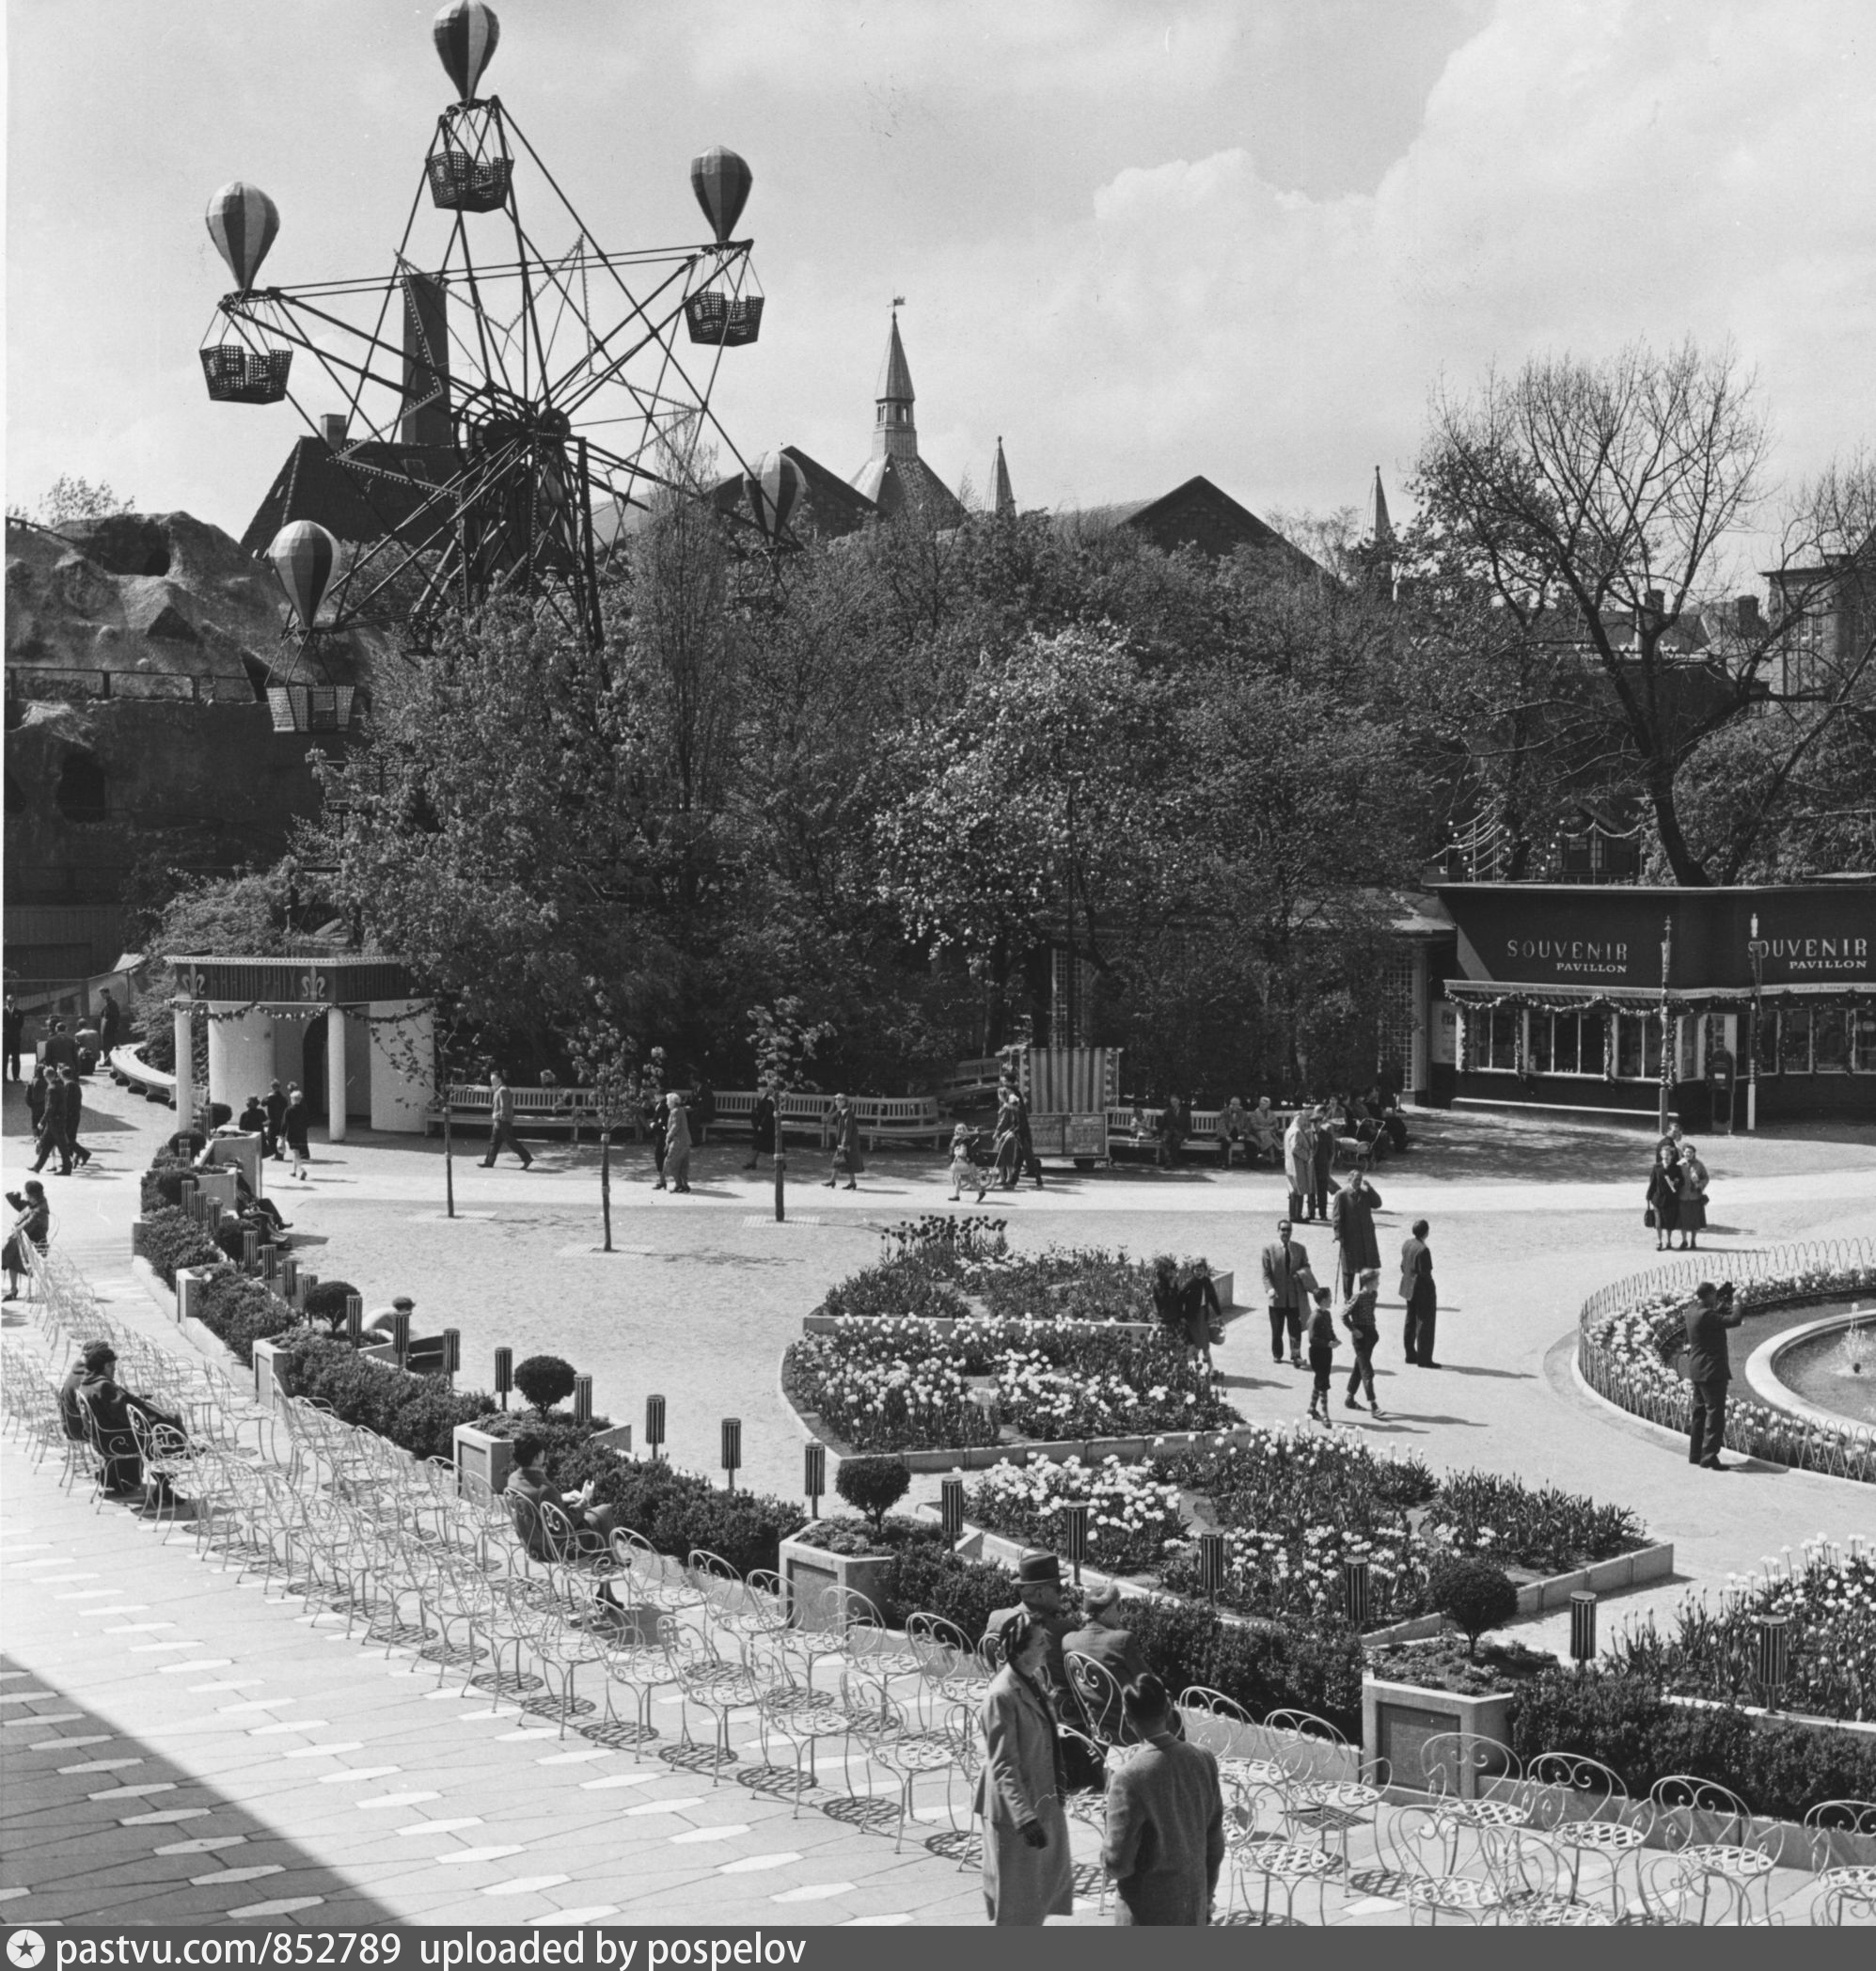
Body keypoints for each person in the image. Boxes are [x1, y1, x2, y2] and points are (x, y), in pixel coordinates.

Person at [1100, 1673, 1225, 1926]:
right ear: (1168, 1710)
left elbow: (1117, 1864)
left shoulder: (1128, 1777)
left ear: (1127, 1718)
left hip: (1145, 1912)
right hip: (1191, 1905)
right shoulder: (1203, 1759)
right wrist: (1206, 1897)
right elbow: (1214, 1842)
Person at [976, 1612, 1075, 1927]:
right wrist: (1024, 1817)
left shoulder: (1034, 1679)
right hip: (1015, 1813)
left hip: (1040, 1799)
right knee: (1016, 1906)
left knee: (1038, 1896)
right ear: (1019, 1650)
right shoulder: (1001, 1695)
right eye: (1040, 1642)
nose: (1047, 1647)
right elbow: (1002, 1763)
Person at [59, 1341, 185, 1501]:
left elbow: (114, 1409)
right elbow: (124, 1416)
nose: (114, 1370)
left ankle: (116, 1476)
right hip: (113, 1440)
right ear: (104, 1365)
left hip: (102, 1437)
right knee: (162, 1431)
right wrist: (148, 1417)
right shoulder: (102, 1385)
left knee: (160, 1426)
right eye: (112, 1366)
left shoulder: (86, 1382)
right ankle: (165, 1482)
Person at [504, 1432, 619, 1561]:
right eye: (542, 1450)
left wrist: (563, 1497)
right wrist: (585, 1499)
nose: (544, 1452)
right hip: (554, 1548)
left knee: (591, 1512)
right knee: (604, 1511)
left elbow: (535, 1502)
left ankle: (605, 1560)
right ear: (536, 1457)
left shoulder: (513, 1479)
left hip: (531, 1544)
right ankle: (611, 1562)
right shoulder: (544, 1490)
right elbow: (565, 1525)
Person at [982, 1550, 1074, 1704]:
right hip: (1054, 1707)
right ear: (1040, 1593)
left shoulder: (996, 1618)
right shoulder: (1062, 1629)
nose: (1063, 1592)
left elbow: (992, 1659)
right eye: (1058, 1588)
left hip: (1008, 1699)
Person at [1685, 1281, 1744, 1470]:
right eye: (1715, 1295)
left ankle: (1696, 1454)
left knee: (1699, 1413)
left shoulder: (1692, 1311)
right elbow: (1734, 1320)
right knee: (1715, 1415)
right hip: (1712, 1371)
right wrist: (1737, 1302)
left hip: (1697, 1369)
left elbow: (1712, 1319)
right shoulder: (1707, 1315)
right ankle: (1709, 1457)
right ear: (1710, 1294)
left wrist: (1720, 1305)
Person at [1260, 1217, 1314, 1370]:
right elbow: (1265, 1273)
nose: (1286, 1232)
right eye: (1283, 1229)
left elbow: (1306, 1266)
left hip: (1294, 1297)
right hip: (1276, 1298)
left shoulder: (1300, 1249)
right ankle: (1277, 1354)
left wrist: (1301, 1274)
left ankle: (1296, 1356)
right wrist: (1270, 1289)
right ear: (1278, 1231)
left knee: (1295, 1330)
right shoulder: (1269, 1249)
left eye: (1288, 1230)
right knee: (1277, 1330)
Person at [1328, 1167, 1382, 1299]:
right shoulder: (1341, 1194)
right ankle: (1348, 1297)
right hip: (1350, 1239)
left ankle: (1363, 1295)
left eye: (1360, 1179)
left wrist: (1370, 1188)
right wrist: (1338, 1235)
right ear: (1349, 1179)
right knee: (1349, 1270)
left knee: (1365, 1269)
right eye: (1356, 1179)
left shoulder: (1365, 1193)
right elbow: (1336, 1217)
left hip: (1366, 1238)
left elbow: (1377, 1204)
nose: (1358, 1182)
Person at [1341, 1266, 1383, 1415]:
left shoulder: (1373, 1294)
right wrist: (1353, 1330)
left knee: (1359, 1368)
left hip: (1370, 1335)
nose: (1378, 1283)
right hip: (1360, 1337)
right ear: (1369, 1282)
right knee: (1367, 1372)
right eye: (1376, 1281)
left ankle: (1349, 1398)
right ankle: (1373, 1405)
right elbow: (1344, 1314)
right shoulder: (1358, 1296)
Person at [4, 1181, 52, 1300]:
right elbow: (14, 1201)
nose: (25, 1196)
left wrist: (15, 1230)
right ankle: (13, 1289)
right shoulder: (33, 1204)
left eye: (27, 1194)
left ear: (32, 1196)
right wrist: (16, 1195)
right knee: (10, 1255)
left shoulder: (39, 1211)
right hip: (25, 1243)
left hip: (36, 1245)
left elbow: (26, 1227)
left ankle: (45, 1290)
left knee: (11, 1254)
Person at [1400, 1219, 1437, 1366]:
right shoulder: (1423, 1250)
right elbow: (1426, 1273)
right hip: (1421, 1290)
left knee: (1410, 1321)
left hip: (1408, 1287)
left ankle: (1410, 1354)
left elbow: (1403, 1266)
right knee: (1425, 1324)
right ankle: (1424, 1359)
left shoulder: (1407, 1244)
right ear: (1426, 1233)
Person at [481, 1069, 533, 1171]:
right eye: (491, 1079)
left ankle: (527, 1158)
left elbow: (504, 1106)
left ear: (499, 1079)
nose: (492, 1081)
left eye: (494, 1079)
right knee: (494, 1141)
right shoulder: (499, 1089)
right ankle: (489, 1162)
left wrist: (500, 1120)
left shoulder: (502, 1090)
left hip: (503, 1120)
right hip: (500, 1120)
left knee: (510, 1141)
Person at [1304, 1286, 1339, 1426]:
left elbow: (1330, 1330)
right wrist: (1327, 1343)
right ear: (1323, 1300)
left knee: (1320, 1381)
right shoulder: (1315, 1316)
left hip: (1326, 1352)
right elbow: (1312, 1339)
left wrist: (1334, 1339)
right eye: (1329, 1298)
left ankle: (1311, 1409)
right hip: (1317, 1354)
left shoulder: (1327, 1314)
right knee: (1323, 1383)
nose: (1331, 1300)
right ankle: (1325, 1415)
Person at [1646, 1142, 1680, 1253]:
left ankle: (1669, 1241)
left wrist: (1676, 1182)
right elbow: (1652, 1183)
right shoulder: (1656, 1167)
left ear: (1671, 1155)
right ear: (1661, 1155)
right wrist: (1649, 1195)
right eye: (1664, 1154)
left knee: (1669, 1222)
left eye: (1668, 1154)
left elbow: (1681, 1182)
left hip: (1671, 1199)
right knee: (1658, 1222)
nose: (1665, 1156)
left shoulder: (1676, 1168)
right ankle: (1659, 1241)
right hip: (1658, 1199)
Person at [1283, 1109, 1316, 1222]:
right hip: (1298, 1165)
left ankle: (1293, 1215)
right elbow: (1295, 1148)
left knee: (1293, 1191)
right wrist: (1308, 1156)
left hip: (1290, 1164)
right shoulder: (1297, 1131)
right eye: (1303, 1120)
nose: (1305, 1122)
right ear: (1299, 1119)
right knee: (1299, 1190)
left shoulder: (1289, 1130)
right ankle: (1297, 1216)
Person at [824, 1092, 862, 1191]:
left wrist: (844, 1144)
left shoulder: (848, 1114)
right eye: (836, 1100)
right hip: (844, 1142)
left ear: (844, 1102)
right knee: (843, 1161)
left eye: (838, 1100)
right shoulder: (841, 1112)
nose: (836, 1102)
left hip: (848, 1142)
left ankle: (834, 1181)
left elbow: (847, 1130)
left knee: (840, 1160)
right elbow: (829, 1119)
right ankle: (849, 1182)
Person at [948, 1123, 991, 1205]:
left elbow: (963, 1153)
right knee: (958, 1178)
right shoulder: (967, 1139)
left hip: (965, 1162)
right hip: (969, 1162)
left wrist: (956, 1151)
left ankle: (980, 1191)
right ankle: (957, 1195)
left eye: (957, 1131)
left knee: (965, 1178)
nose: (956, 1133)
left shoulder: (963, 1141)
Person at [1677, 1143, 1710, 1252]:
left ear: (1694, 1153)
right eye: (1687, 1152)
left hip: (1695, 1197)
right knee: (1683, 1221)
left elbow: (1706, 1178)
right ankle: (1684, 1241)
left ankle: (1693, 1241)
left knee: (1695, 1221)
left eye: (1691, 1152)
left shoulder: (1699, 1164)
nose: (1688, 1154)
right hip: (1682, 1197)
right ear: (1683, 1153)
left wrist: (1700, 1185)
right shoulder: (1679, 1165)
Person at [57, 1065, 92, 1169]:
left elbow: (67, 1103)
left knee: (67, 1139)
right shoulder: (73, 1084)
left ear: (62, 1075)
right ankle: (70, 1159)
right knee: (70, 1138)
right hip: (74, 1115)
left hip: (70, 1116)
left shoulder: (69, 1085)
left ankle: (83, 1153)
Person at [1309, 1104, 1337, 1222]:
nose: (1314, 1125)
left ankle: (1323, 1214)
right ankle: (1311, 1213)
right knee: (1311, 1191)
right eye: (1312, 1123)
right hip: (1311, 1166)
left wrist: (1327, 1162)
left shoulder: (1326, 1135)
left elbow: (1331, 1151)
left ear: (1320, 1123)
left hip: (1322, 1166)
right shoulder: (1308, 1134)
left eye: (1316, 1122)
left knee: (1322, 1191)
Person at [662, 1092, 693, 1193]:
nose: (667, 1103)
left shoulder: (675, 1111)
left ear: (672, 1102)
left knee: (671, 1162)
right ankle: (684, 1185)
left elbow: (675, 1126)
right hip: (685, 1141)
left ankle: (679, 1184)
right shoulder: (680, 1110)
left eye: (668, 1101)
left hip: (679, 1141)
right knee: (683, 1164)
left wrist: (668, 1136)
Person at [744, 1082, 779, 1173]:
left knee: (772, 1146)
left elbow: (768, 1114)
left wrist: (761, 1125)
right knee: (758, 1144)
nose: (758, 1089)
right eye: (758, 1088)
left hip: (768, 1126)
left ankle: (781, 1164)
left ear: (764, 1088)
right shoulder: (762, 1097)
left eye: (760, 1088)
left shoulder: (768, 1099)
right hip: (762, 1126)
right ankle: (752, 1162)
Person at [1214, 1096, 1251, 1170]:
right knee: (1225, 1142)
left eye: (1235, 1104)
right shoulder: (1225, 1112)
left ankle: (1251, 1164)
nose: (1233, 1106)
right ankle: (1225, 1163)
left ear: (1239, 1105)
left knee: (1251, 1142)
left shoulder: (1243, 1113)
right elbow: (1221, 1125)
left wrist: (1243, 1134)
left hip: (1239, 1134)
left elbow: (1247, 1126)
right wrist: (1226, 1136)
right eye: (1232, 1104)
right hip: (1227, 1134)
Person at [283, 1087, 311, 1180]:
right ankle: (294, 1171)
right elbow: (308, 1122)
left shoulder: (288, 1109)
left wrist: (281, 1135)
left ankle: (302, 1170)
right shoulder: (304, 1109)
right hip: (302, 1134)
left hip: (292, 1134)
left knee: (295, 1152)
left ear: (293, 1099)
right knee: (297, 1152)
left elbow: (284, 1123)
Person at [1246, 1096, 1282, 1168]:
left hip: (1270, 1133)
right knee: (1266, 1135)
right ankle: (1275, 1156)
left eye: (1264, 1104)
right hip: (1257, 1133)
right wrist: (1265, 1128)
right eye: (1261, 1104)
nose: (1262, 1105)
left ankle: (1272, 1159)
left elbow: (1276, 1123)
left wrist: (1273, 1127)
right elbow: (1254, 1126)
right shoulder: (1255, 1113)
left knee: (1268, 1136)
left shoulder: (1271, 1113)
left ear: (1268, 1105)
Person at [1156, 1092, 1187, 1171]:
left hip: (1179, 1132)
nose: (1173, 1104)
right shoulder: (1167, 1110)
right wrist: (1158, 1134)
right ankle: (1169, 1161)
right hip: (1169, 1130)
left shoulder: (1185, 1111)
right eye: (1172, 1102)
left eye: (1175, 1102)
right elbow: (1162, 1123)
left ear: (1179, 1101)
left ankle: (1171, 1161)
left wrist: (1187, 1137)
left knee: (1176, 1141)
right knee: (1164, 1140)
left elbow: (1189, 1126)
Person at [263, 1080, 289, 1159]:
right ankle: (280, 1154)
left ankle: (277, 1153)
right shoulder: (283, 1098)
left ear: (272, 1087)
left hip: (273, 1121)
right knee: (280, 1138)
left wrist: (268, 1096)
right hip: (281, 1121)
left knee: (271, 1139)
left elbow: (263, 1103)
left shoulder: (271, 1097)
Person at [691, 1076, 717, 1146]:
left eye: (692, 1082)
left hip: (708, 1114)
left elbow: (708, 1105)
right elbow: (693, 1102)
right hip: (698, 1113)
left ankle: (695, 1141)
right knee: (690, 1115)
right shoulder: (694, 1090)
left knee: (694, 1116)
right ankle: (690, 1139)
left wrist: (697, 1109)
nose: (691, 1083)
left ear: (697, 1082)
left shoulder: (706, 1090)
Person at [3, 996, 23, 1083]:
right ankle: (3, 1077)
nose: (10, 1003)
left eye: (11, 1001)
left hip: (15, 1039)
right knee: (4, 1058)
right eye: (8, 1001)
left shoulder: (19, 1012)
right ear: (6, 1001)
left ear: (14, 1002)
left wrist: (14, 1033)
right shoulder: (2, 1011)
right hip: (5, 1039)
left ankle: (16, 1076)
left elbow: (20, 1024)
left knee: (16, 1058)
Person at [98, 990, 122, 1057]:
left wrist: (115, 1026)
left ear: (108, 993)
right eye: (101, 995)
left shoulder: (112, 1002)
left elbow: (115, 1015)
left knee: (107, 1045)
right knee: (107, 1045)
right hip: (107, 1026)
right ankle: (107, 1059)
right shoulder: (108, 1002)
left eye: (103, 994)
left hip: (110, 1027)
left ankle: (107, 1060)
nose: (102, 996)